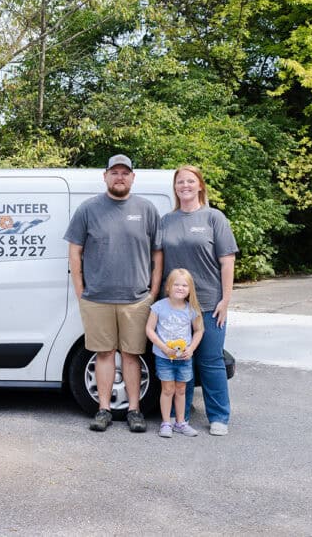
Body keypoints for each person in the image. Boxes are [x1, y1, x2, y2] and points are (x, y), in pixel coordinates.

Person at [64, 154, 163, 433]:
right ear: (105, 176)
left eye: (125, 172)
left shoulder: (146, 209)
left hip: (136, 300)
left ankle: (134, 411)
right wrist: (81, 291)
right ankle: (103, 410)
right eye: (115, 172)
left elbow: (158, 251)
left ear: (133, 177)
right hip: (97, 299)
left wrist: (153, 292)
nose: (120, 177)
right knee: (104, 355)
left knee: (132, 356)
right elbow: (75, 252)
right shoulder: (88, 209)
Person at [160, 165, 238, 436]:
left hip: (207, 303)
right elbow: (158, 262)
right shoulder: (166, 221)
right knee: (180, 361)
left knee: (210, 361)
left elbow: (227, 262)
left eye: (190, 181)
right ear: (175, 187)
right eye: (180, 182)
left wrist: (225, 301)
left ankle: (219, 417)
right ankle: (179, 416)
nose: (185, 186)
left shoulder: (214, 218)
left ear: (200, 185)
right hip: (175, 307)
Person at [146, 268, 204, 438]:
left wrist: (192, 348)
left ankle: (181, 422)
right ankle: (166, 422)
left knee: (181, 389)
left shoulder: (192, 309)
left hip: (184, 358)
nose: (180, 288)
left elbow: (199, 331)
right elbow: (149, 329)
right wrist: (163, 347)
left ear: (190, 289)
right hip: (164, 357)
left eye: (184, 285)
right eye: (176, 284)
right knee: (167, 389)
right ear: (168, 287)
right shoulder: (158, 307)